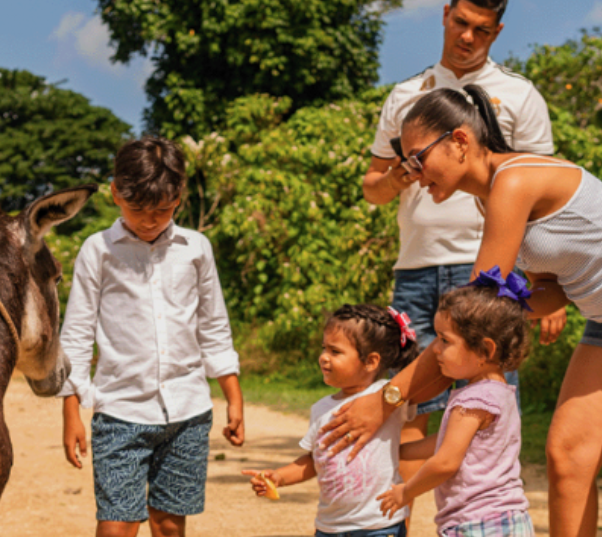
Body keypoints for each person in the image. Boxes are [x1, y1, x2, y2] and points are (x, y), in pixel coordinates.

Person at [323, 83, 602, 537]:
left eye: (418, 157)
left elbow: (468, 324)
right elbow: (552, 290)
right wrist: (510, 305)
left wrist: (386, 400)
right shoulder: (488, 195)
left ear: (459, 141)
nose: (412, 171)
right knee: (568, 455)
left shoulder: (513, 182)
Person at [359, 0, 563, 517]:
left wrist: (549, 286)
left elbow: (540, 193)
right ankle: (393, 520)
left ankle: (489, 515)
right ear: (445, 15)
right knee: (410, 414)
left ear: (497, 32)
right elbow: (372, 190)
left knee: (485, 405)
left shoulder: (520, 94)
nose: (469, 37)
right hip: (415, 266)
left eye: (483, 30)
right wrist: (403, 174)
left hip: (494, 272)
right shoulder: (407, 95)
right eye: (461, 23)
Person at [58, 137, 244, 537]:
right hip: (119, 413)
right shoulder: (98, 251)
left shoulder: (196, 249)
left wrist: (233, 395)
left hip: (188, 413)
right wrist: (71, 410)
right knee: (116, 528)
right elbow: (75, 334)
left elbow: (213, 326)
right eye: (137, 208)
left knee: (169, 527)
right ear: (114, 193)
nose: (149, 220)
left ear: (179, 196)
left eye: (162, 209)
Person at [378, 271, 534, 535]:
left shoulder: (474, 400)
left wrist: (406, 491)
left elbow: (446, 462)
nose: (436, 349)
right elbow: (447, 442)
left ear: (485, 350)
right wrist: (399, 450)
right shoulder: (500, 393)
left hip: (477, 523)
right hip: (509, 519)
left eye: (445, 340)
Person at [244, 304, 418, 537]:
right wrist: (279, 477)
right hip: (330, 527)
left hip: (379, 524)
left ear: (371, 361)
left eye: (335, 352)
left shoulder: (388, 398)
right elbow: (314, 459)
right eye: (324, 348)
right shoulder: (321, 409)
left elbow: (423, 375)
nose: (323, 358)